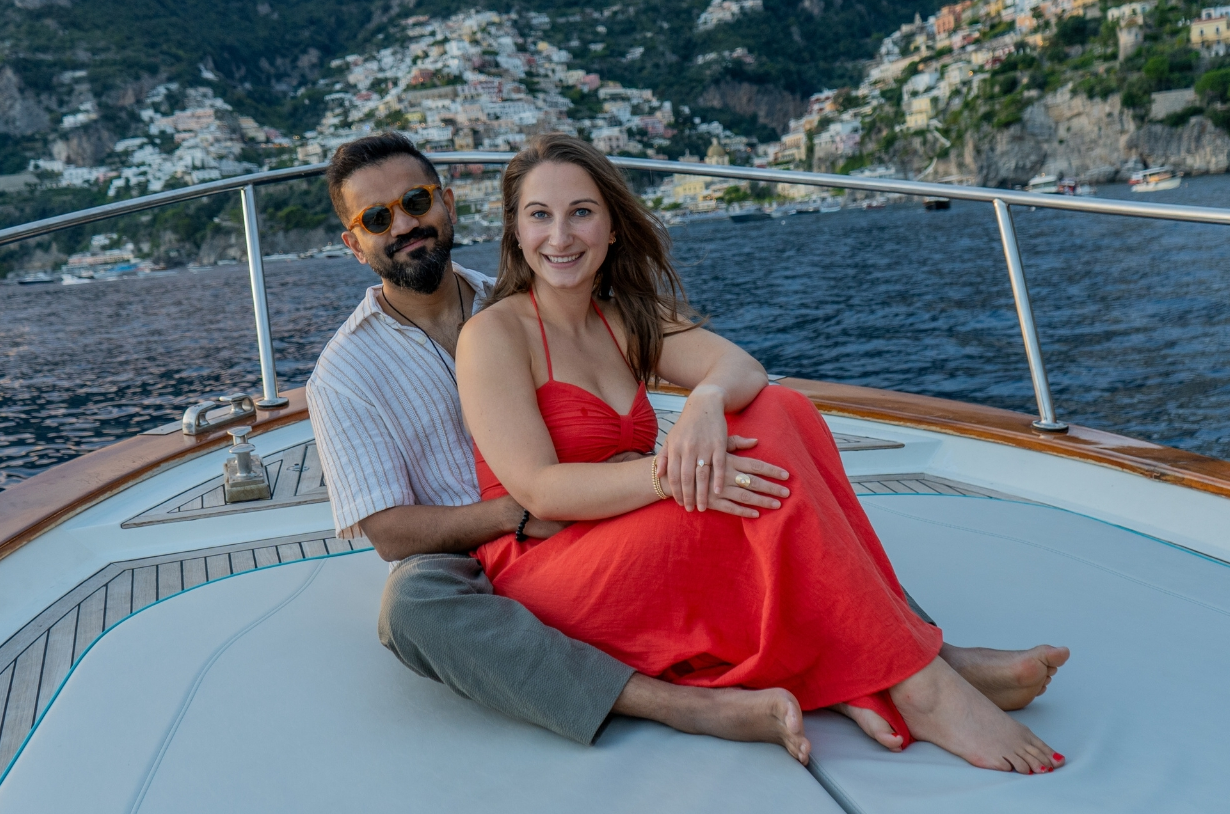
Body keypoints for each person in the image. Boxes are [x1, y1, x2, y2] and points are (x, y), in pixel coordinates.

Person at [307, 132, 1067, 766]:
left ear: (447, 202)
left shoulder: (557, 297)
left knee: (783, 416)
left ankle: (901, 656)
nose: (404, 223)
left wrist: (702, 404)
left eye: (415, 202)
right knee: (413, 607)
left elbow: (743, 371)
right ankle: (887, 677)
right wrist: (660, 478)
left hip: (610, 508)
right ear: (354, 242)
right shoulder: (375, 362)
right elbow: (399, 529)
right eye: (380, 217)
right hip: (508, 543)